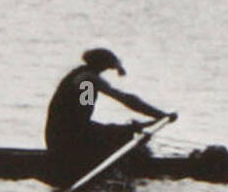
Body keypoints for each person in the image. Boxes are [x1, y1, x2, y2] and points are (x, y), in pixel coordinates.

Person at [44, 48, 172, 179]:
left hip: (62, 136)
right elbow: (126, 100)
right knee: (126, 134)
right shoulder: (87, 83)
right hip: (66, 139)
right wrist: (158, 115)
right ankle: (136, 173)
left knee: (124, 132)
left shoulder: (81, 76)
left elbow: (80, 116)